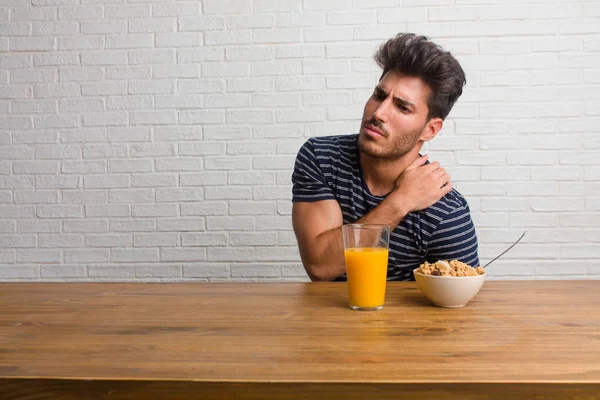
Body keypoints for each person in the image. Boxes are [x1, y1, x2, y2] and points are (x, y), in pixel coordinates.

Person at [291, 33, 479, 282]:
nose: (379, 112)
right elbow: (320, 266)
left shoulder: (446, 212)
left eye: (402, 107)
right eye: (379, 96)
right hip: (326, 320)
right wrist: (400, 202)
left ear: (429, 129)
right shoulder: (322, 158)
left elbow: (460, 305)